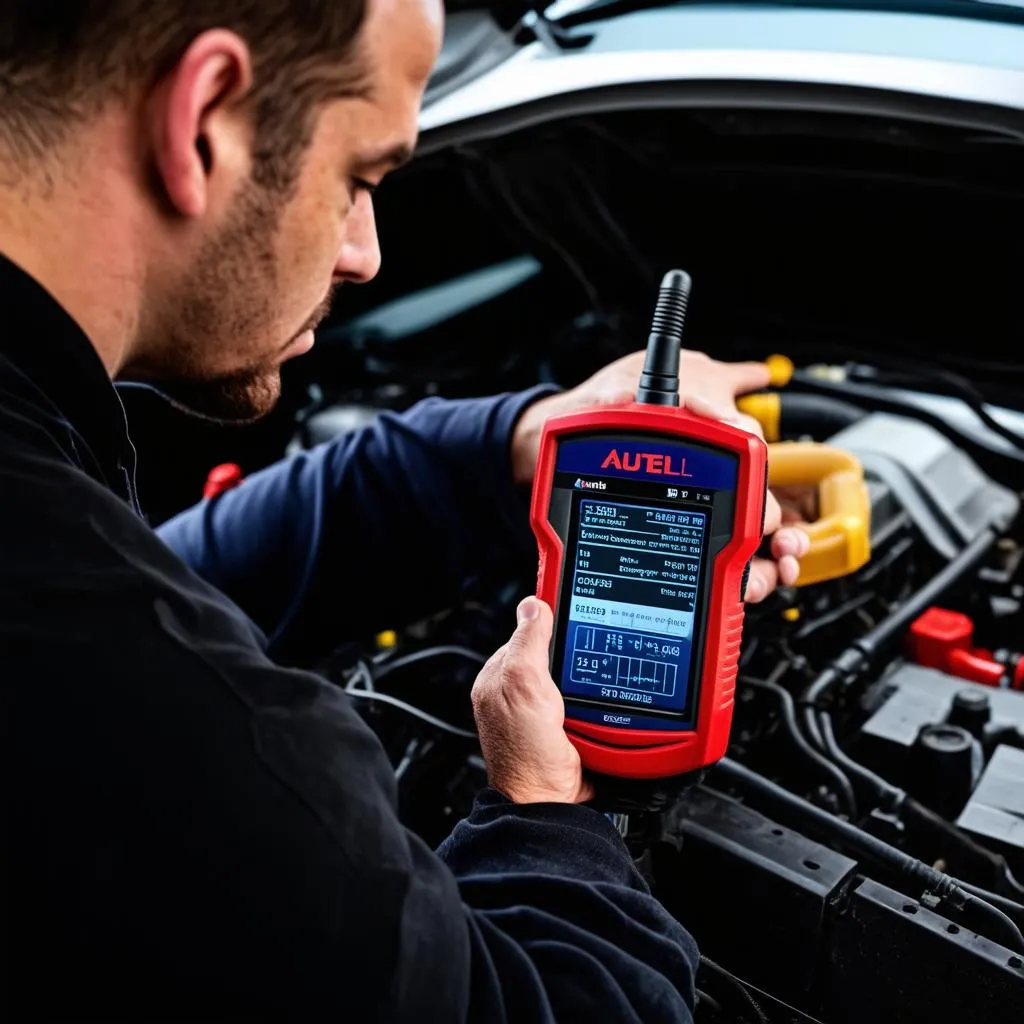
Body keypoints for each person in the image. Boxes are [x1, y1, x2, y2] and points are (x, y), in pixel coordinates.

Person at [0, 0, 809, 1019]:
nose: (365, 252)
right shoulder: (152, 721)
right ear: (202, 116)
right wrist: (545, 816)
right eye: (359, 181)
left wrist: (516, 441)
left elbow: (174, 568)